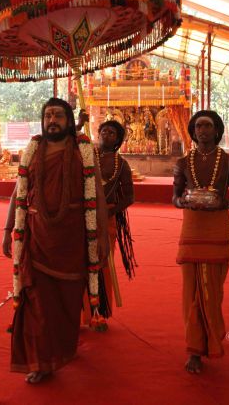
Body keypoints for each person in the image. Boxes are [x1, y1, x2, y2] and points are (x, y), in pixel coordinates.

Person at [2, 98, 109, 384]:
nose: (52, 121)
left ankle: (62, 350)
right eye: (48, 115)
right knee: (37, 302)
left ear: (68, 120)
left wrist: (101, 234)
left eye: (58, 116)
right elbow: (18, 191)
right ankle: (40, 362)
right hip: (37, 238)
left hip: (72, 240)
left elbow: (97, 194)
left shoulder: (82, 151)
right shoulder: (34, 150)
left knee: (66, 303)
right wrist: (8, 228)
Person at [173, 110, 229, 374]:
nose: (202, 130)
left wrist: (223, 203)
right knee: (190, 291)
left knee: (212, 290)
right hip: (192, 229)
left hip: (216, 230)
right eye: (198, 126)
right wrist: (184, 201)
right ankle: (194, 349)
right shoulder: (182, 162)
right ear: (193, 132)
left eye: (207, 126)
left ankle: (211, 339)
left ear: (217, 131)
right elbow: (175, 197)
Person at [94, 120, 136, 322]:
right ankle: (82, 311)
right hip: (81, 217)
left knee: (103, 262)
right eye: (104, 131)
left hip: (107, 219)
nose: (107, 134)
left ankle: (101, 310)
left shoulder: (122, 164)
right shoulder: (85, 156)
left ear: (118, 139)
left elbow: (129, 197)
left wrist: (110, 212)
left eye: (112, 133)